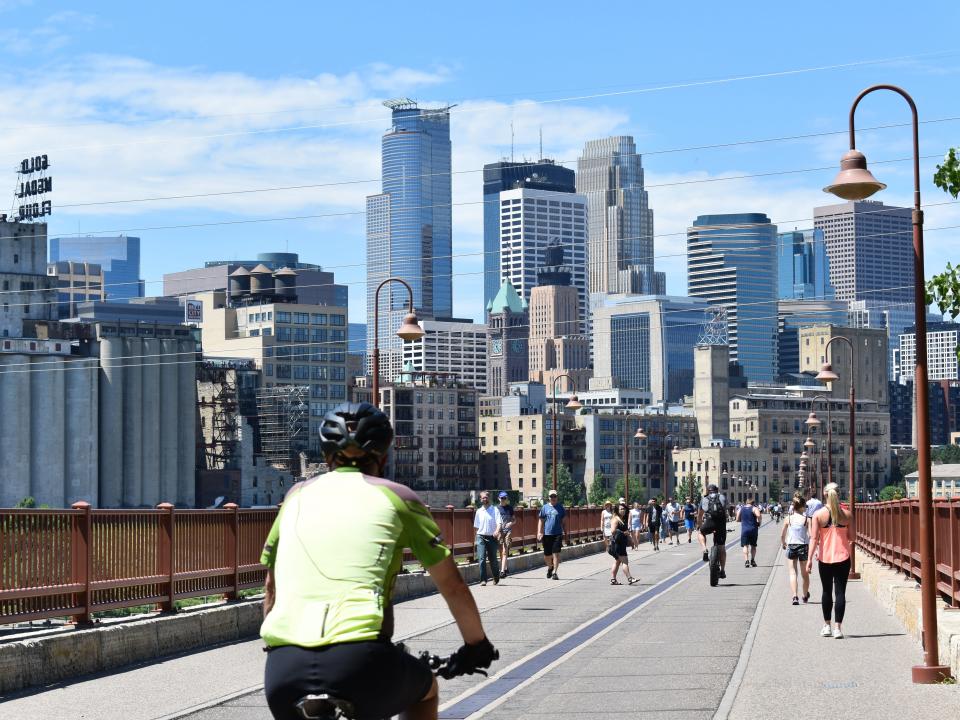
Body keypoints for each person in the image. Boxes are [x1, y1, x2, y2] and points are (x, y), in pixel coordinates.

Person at [260, 402, 496, 720]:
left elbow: (271, 589)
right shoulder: (399, 497)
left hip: (283, 671)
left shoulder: (295, 497)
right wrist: (476, 645)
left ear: (327, 456)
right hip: (359, 662)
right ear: (383, 457)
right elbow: (452, 586)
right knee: (425, 691)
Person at [807, 483, 852, 639]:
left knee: (826, 591)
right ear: (838, 494)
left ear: (824, 494)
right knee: (840, 593)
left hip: (825, 558)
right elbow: (852, 538)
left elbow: (814, 538)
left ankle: (827, 626)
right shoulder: (846, 514)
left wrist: (809, 560)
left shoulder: (818, 515)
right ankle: (838, 628)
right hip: (843, 557)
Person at [780, 496, 810, 605]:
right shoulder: (807, 519)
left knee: (793, 572)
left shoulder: (788, 518)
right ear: (802, 507)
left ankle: (794, 596)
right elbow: (811, 535)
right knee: (804, 573)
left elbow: (783, 534)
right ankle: (805, 595)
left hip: (791, 545)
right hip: (803, 546)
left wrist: (783, 543)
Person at [697, 484, 727, 580]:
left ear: (708, 491)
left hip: (710, 522)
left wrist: (700, 525)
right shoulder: (722, 497)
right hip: (721, 524)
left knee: (701, 533)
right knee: (722, 548)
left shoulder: (704, 499)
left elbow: (700, 515)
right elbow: (727, 510)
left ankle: (704, 549)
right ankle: (722, 570)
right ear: (717, 490)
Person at [473, 492, 501, 586]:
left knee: (493, 559)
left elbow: (499, 523)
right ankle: (483, 580)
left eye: (486, 497)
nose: (485, 499)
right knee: (481, 558)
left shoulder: (494, 509)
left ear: (489, 498)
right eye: (483, 498)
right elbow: (476, 527)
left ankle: (496, 576)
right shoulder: (479, 511)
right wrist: (475, 538)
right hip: (480, 536)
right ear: (480, 499)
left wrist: (497, 531)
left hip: (492, 537)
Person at [538, 490, 565, 580]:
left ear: (557, 497)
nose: (553, 498)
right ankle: (550, 567)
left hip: (557, 534)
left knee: (556, 554)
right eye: (551, 496)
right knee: (546, 556)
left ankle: (555, 573)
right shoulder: (544, 508)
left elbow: (563, 521)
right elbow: (541, 520)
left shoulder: (560, 508)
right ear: (549, 498)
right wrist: (539, 532)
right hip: (547, 534)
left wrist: (565, 531)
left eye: (554, 496)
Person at [608, 507, 639, 585]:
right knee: (625, 562)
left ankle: (613, 579)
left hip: (621, 544)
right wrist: (623, 533)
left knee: (617, 562)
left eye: (624, 509)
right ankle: (630, 578)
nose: (623, 510)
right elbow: (613, 531)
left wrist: (631, 542)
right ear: (617, 511)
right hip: (617, 544)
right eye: (621, 509)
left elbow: (626, 532)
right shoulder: (615, 519)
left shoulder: (622, 520)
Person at [738, 497, 761, 568]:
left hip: (744, 530)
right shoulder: (754, 508)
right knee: (753, 546)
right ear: (753, 503)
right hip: (753, 529)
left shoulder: (741, 509)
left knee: (745, 546)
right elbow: (758, 515)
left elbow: (737, 519)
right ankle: (752, 560)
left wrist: (743, 520)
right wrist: (759, 522)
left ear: (746, 502)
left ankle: (746, 561)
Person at [496, 492, 515, 579]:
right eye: (502, 498)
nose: (503, 500)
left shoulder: (509, 508)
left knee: (504, 551)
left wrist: (511, 523)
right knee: (500, 551)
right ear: (499, 498)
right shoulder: (496, 509)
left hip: (508, 532)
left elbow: (514, 520)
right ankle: (505, 567)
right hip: (500, 532)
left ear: (506, 499)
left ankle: (502, 571)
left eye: (505, 498)